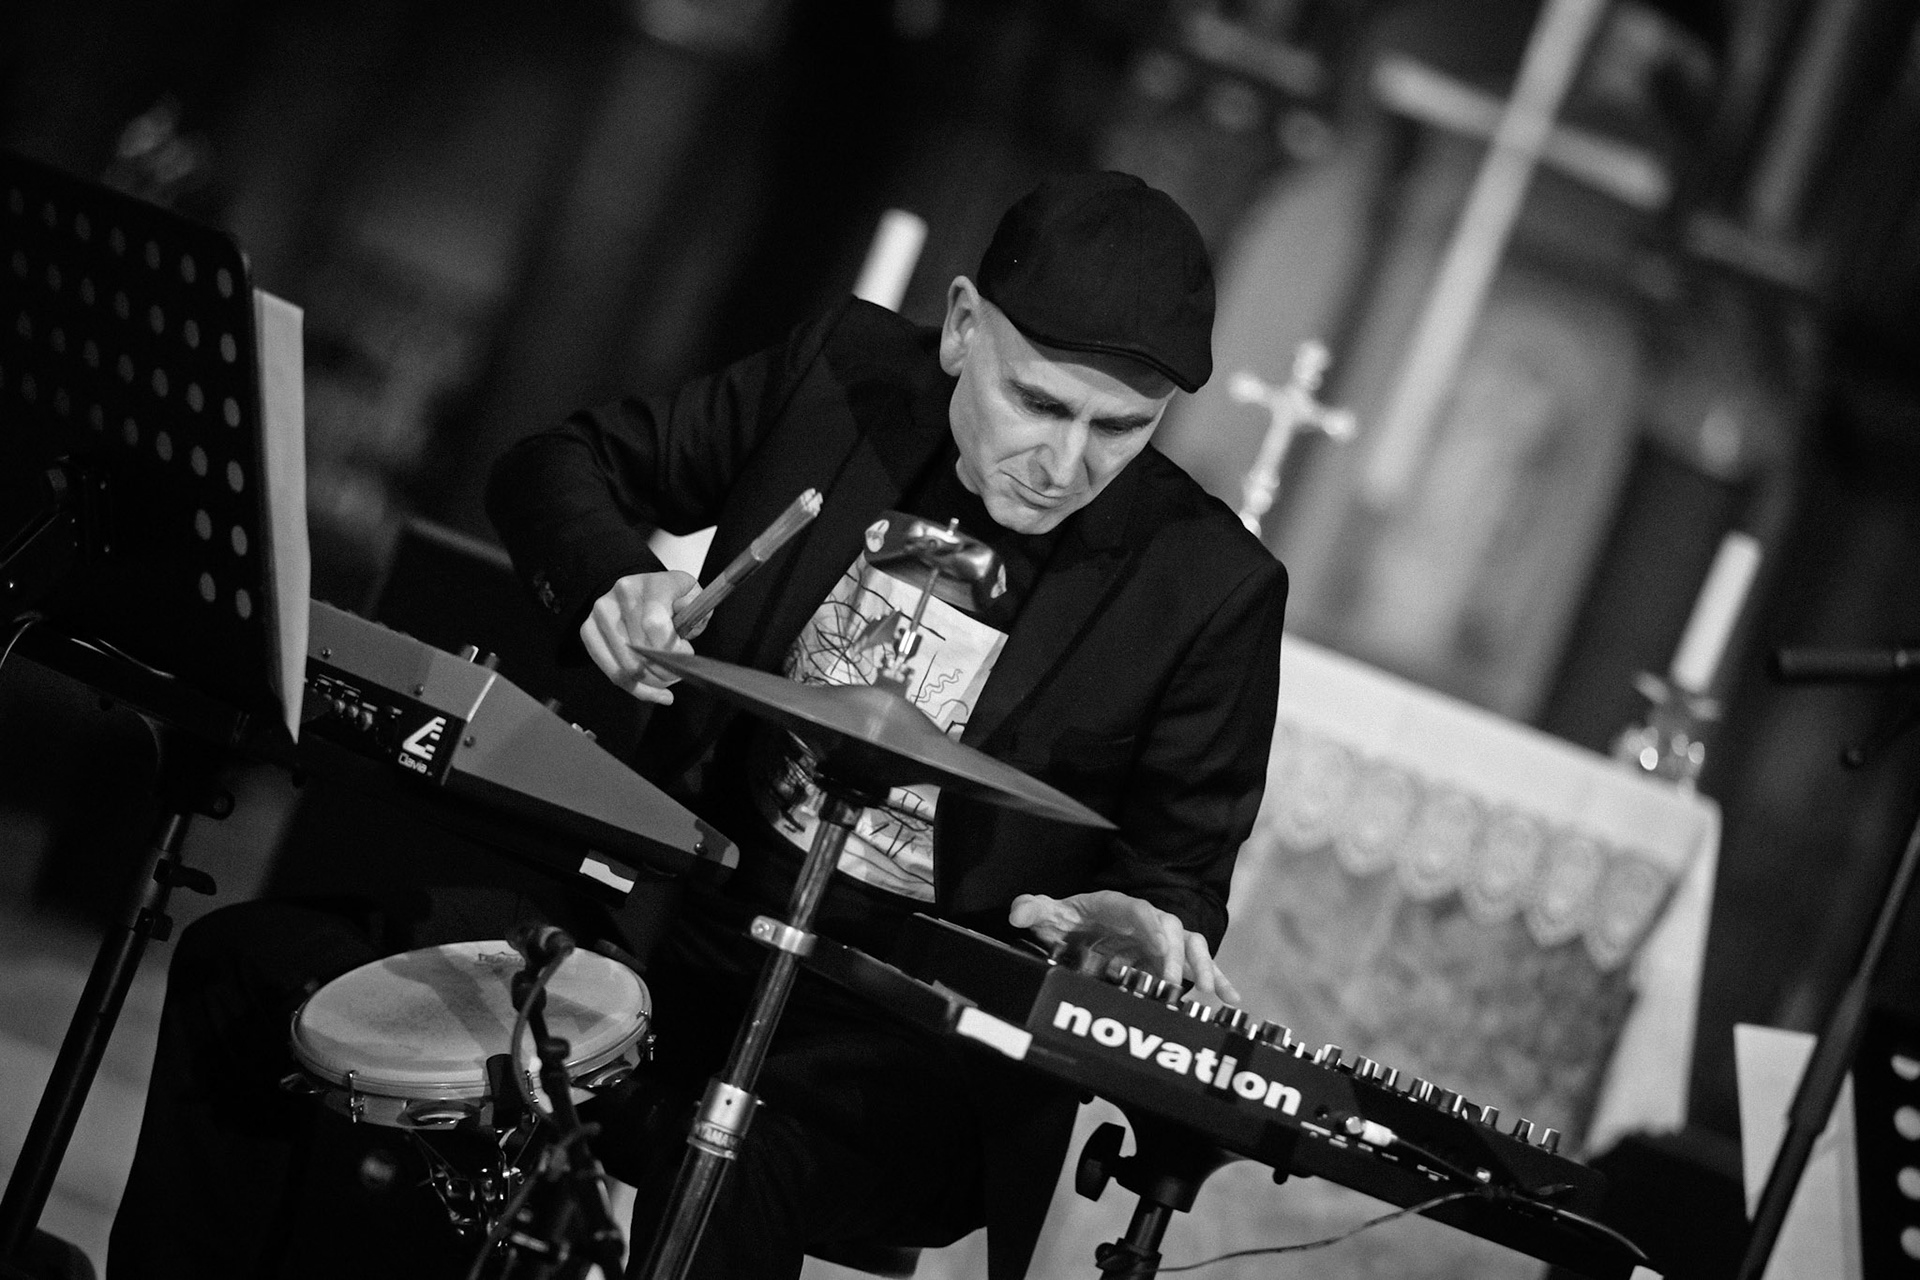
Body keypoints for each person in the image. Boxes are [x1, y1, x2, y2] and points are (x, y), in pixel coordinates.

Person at [485, 170, 1287, 1279]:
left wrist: (1130, 927)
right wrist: (611, 584)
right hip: (676, 927)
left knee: (732, 1154)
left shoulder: (1209, 587)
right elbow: (554, 465)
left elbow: (1179, 880)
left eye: (1121, 429)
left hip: (915, 1036)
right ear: (962, 328)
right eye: (1039, 404)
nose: (1065, 466)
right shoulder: (841, 379)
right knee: (327, 993)